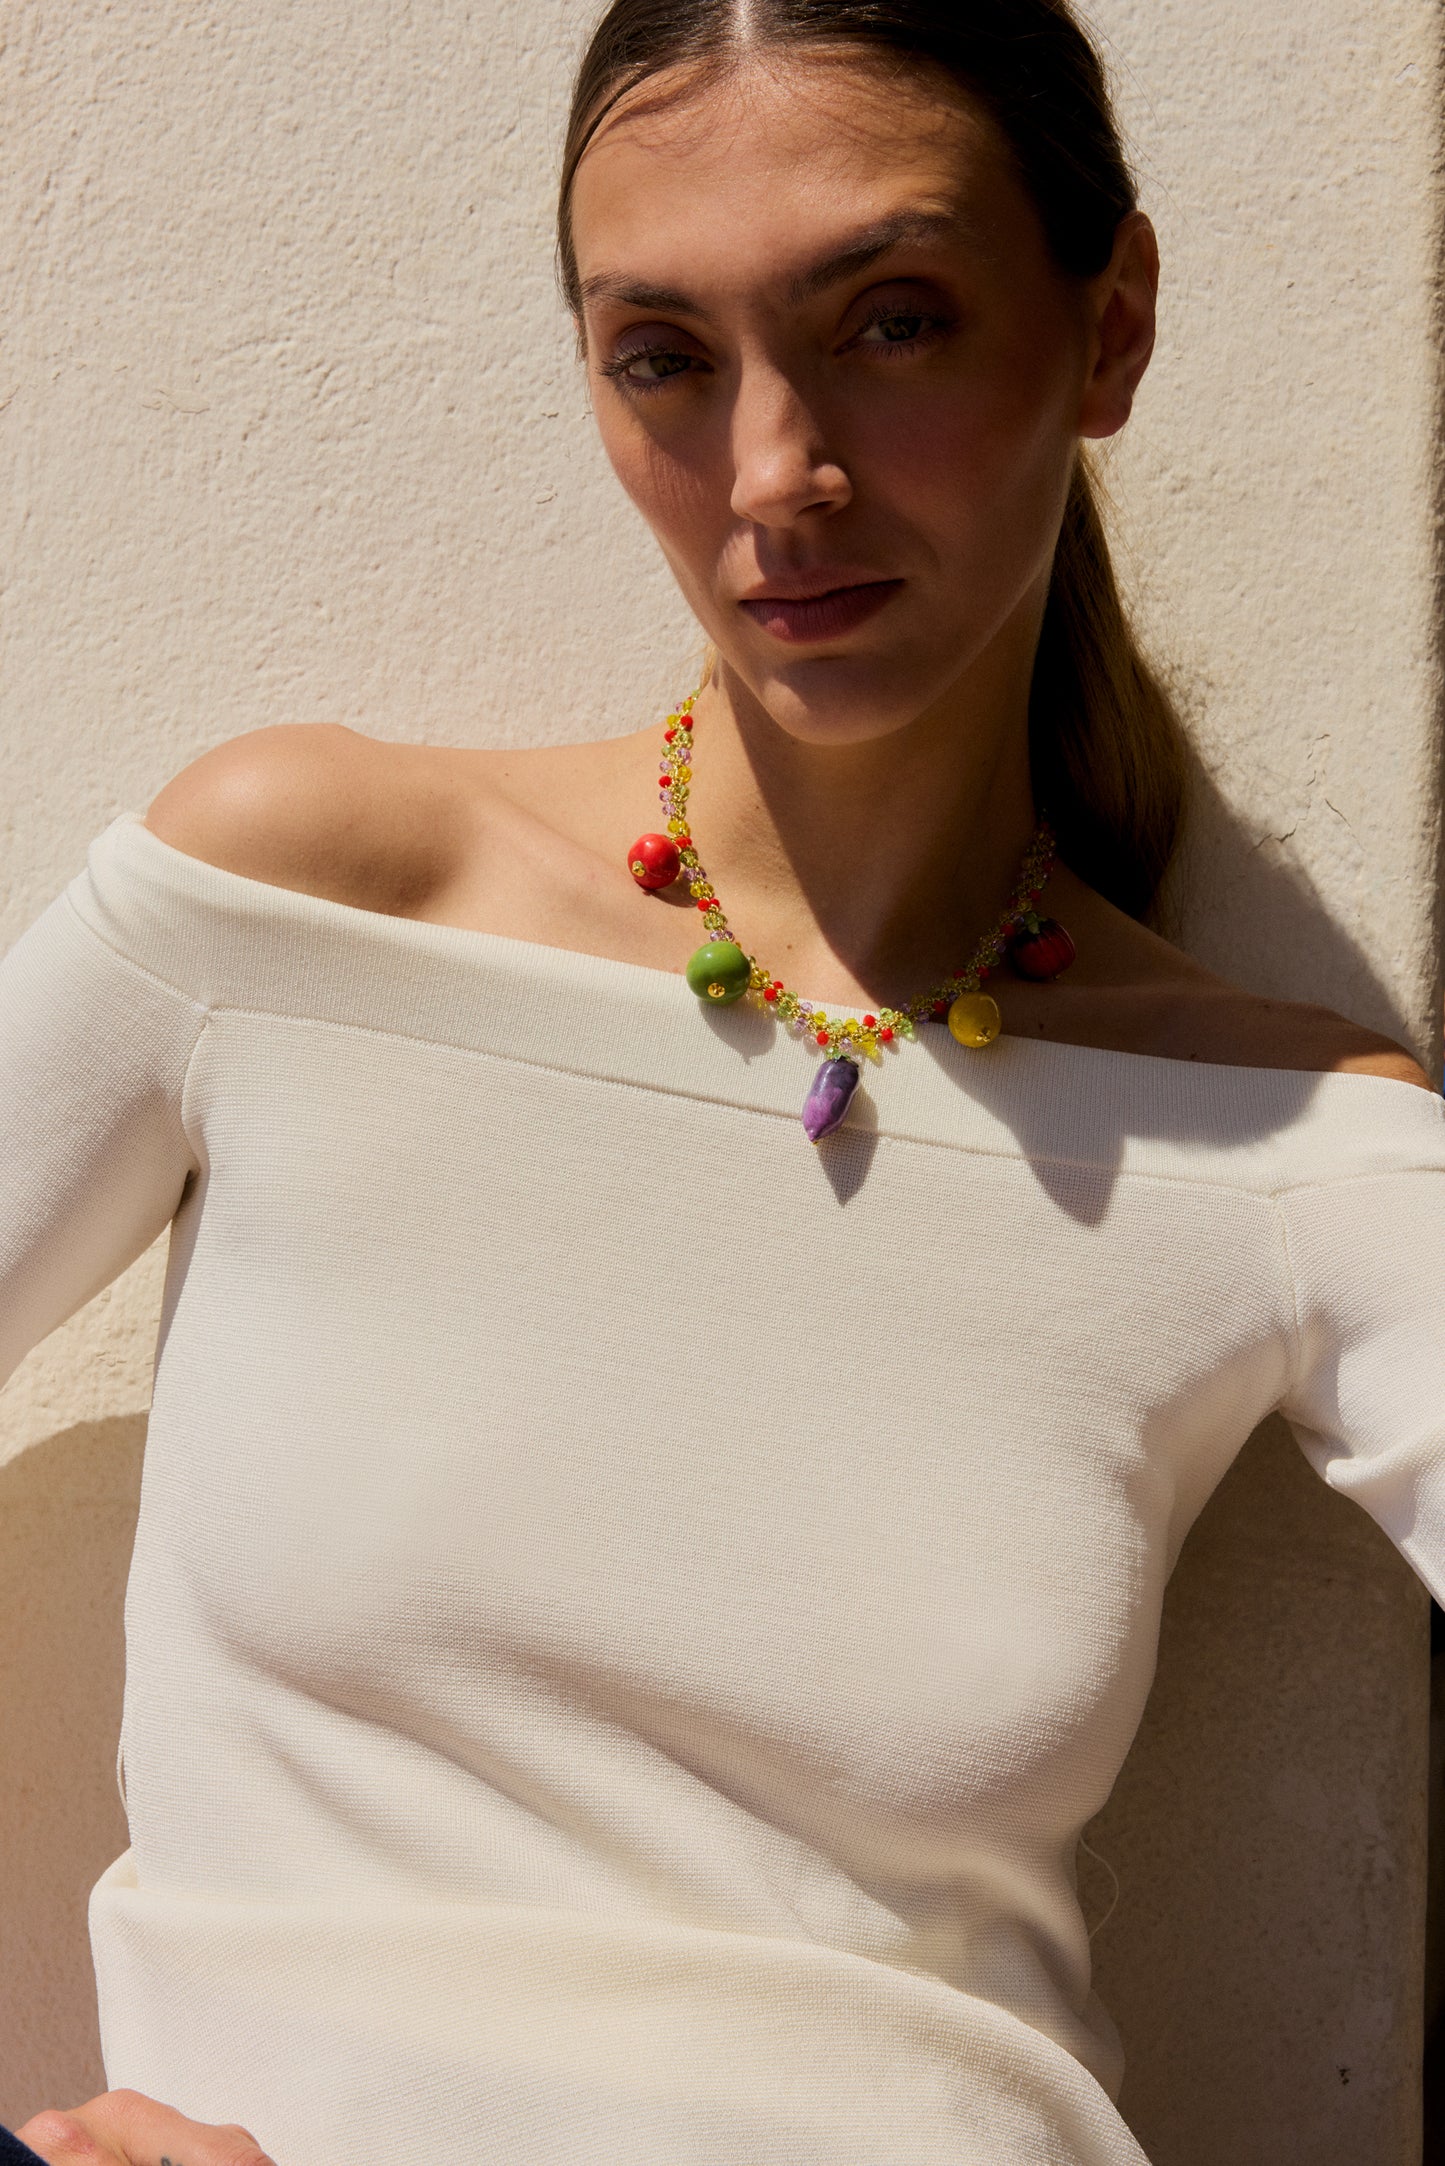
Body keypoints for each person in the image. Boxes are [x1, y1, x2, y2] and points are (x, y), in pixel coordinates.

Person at [6, 2, 1443, 2162]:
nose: (777, 474)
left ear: (1109, 326)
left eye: (893, 320)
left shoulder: (1288, 1141)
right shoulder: (288, 909)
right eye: (664, 356)